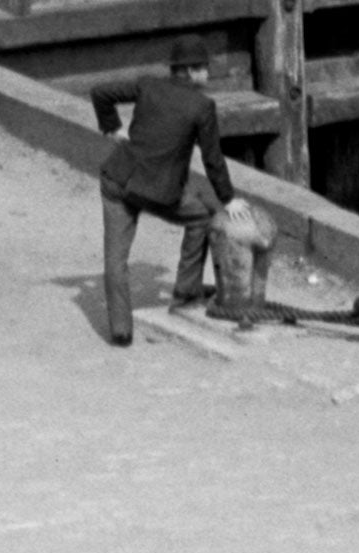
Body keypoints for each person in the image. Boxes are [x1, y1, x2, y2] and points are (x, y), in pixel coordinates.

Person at [91, 34, 250, 347]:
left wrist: (111, 126)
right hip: (158, 192)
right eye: (204, 68)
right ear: (190, 71)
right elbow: (212, 159)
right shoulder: (203, 106)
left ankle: (121, 331)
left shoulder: (148, 85)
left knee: (115, 258)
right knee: (202, 217)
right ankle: (186, 292)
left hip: (117, 180)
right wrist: (228, 199)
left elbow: (100, 92)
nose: (208, 74)